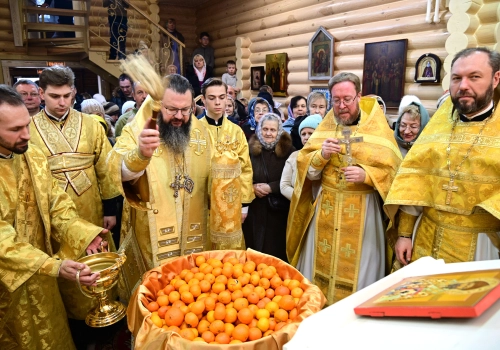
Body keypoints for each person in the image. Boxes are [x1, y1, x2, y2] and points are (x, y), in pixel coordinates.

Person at [0, 85, 108, 349]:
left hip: (42, 271)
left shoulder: (32, 154)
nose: (26, 134)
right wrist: (54, 267)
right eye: (15, 130)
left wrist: (83, 233)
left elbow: (56, 203)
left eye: (26, 124)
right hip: (8, 284)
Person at [287, 72, 402, 306]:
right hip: (326, 213)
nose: (341, 106)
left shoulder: (377, 129)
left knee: (360, 279)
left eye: (347, 99)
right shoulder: (325, 127)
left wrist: (367, 175)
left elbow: (393, 172)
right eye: (336, 100)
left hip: (363, 215)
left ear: (358, 96)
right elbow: (305, 172)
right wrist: (321, 155)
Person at [385, 47, 500, 269]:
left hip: (482, 243)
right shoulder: (439, 123)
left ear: (496, 78)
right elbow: (415, 182)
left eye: (474, 77)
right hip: (426, 236)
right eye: (457, 78)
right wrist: (405, 234)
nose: (463, 85)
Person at [29, 65, 121, 321]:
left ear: (74, 93)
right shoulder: (29, 129)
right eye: (54, 96)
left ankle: (107, 309)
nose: (62, 102)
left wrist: (111, 209)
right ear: (41, 94)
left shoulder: (91, 125)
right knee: (67, 265)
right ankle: (74, 319)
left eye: (67, 96)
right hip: (53, 213)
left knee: (99, 259)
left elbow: (105, 167)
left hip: (92, 209)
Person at [108, 74, 212, 270]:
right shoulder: (136, 129)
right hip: (151, 231)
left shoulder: (201, 132)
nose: (180, 116)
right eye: (171, 109)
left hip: (194, 229)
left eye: (186, 109)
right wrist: (140, 154)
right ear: (157, 105)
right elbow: (115, 169)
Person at [198, 78, 254, 250]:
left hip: (230, 204)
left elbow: (245, 168)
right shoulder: (194, 130)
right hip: (201, 204)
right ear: (203, 100)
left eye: (222, 97)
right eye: (212, 97)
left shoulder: (236, 131)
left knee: (230, 256)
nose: (217, 102)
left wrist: (244, 205)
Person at [243, 113, 294, 262]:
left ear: (279, 131)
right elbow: (242, 173)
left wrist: (271, 187)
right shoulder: (250, 149)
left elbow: (293, 180)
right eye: (265, 129)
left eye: (273, 130)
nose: (268, 133)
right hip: (255, 210)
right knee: (254, 250)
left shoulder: (289, 151)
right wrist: (251, 187)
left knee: (274, 253)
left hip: (277, 212)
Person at [281, 114, 322, 200]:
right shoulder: (294, 156)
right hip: (298, 206)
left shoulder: (325, 156)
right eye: (303, 134)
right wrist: (302, 199)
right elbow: (284, 186)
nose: (306, 137)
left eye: (310, 133)